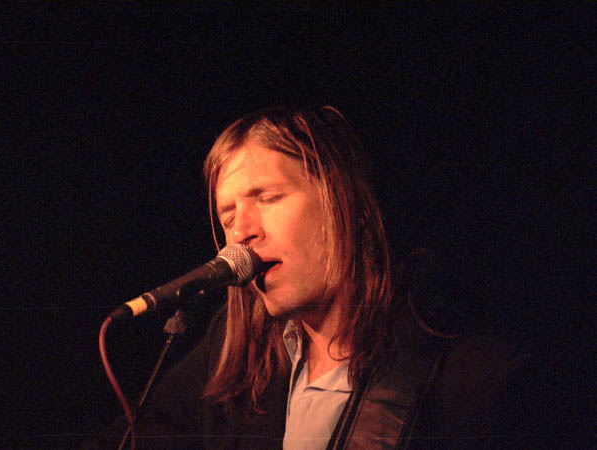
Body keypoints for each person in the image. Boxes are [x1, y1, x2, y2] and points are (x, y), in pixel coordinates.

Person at [85, 106, 559, 450]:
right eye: (227, 215)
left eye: (266, 197)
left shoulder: (475, 370)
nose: (241, 232)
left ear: (342, 203)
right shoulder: (235, 350)